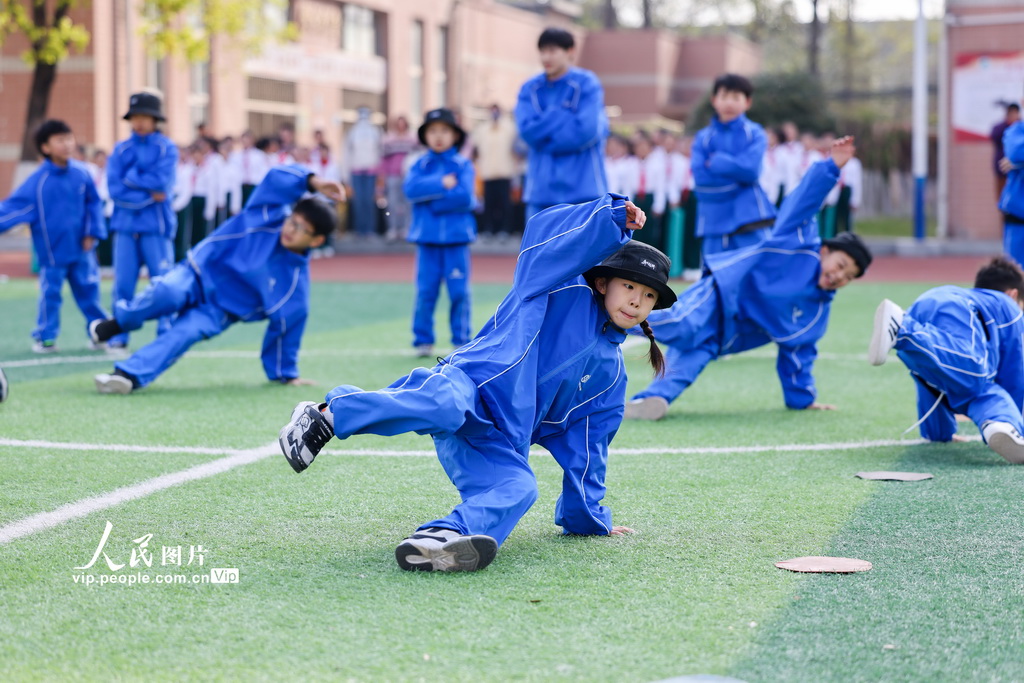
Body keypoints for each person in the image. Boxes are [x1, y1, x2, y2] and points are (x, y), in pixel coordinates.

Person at [277, 193, 674, 573]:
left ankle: (443, 537)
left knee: (520, 486)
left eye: (648, 296)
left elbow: (588, 449)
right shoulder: (556, 287)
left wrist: (587, 519)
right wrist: (610, 219)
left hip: (495, 439)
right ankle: (327, 415)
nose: (636, 301)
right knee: (444, 404)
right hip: (468, 385)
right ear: (603, 283)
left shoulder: (610, 379)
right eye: (629, 286)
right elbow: (544, 238)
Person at [625, 136, 870, 421]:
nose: (839, 276)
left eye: (848, 276)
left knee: (691, 360)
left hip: (728, 331)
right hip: (721, 294)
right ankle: (609, 315)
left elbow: (798, 355)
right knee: (681, 322)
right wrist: (831, 167)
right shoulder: (798, 242)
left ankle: (649, 400)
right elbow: (805, 199)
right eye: (840, 265)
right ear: (825, 251)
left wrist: (802, 400)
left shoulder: (814, 316)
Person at [89, 165, 344, 394]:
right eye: (292, 221)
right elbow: (275, 179)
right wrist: (313, 181)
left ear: (317, 241)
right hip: (197, 272)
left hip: (219, 311)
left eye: (302, 229)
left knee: (185, 333)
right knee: (167, 291)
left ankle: (127, 376)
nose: (290, 230)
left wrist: (285, 374)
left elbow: (287, 326)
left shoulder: (294, 284)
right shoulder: (265, 214)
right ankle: (119, 322)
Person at [867, 257, 1024, 464]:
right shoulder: (1008, 306)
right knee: (977, 375)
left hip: (924, 304)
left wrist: (939, 434)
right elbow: (1014, 371)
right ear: (1013, 294)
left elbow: (930, 385)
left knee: (948, 379)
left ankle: (998, 424)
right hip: (954, 310)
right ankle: (903, 329)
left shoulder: (972, 298)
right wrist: (1017, 419)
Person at [0, 119, 107, 353]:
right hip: (52, 253)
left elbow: (94, 204)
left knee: (89, 292)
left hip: (82, 250)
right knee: (50, 295)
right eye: (60, 140)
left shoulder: (82, 173)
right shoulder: (38, 181)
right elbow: (12, 209)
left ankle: (100, 332)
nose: (67, 144)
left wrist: (92, 233)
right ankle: (46, 337)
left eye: (69, 138)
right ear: (45, 147)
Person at [402, 108, 477, 358]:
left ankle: (461, 339)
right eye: (433, 130)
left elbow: (465, 197)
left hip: (456, 240)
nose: (438, 136)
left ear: (455, 135)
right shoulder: (420, 164)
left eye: (445, 130)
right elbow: (410, 190)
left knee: (459, 292)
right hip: (427, 240)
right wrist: (441, 184)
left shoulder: (463, 165)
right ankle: (422, 340)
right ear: (425, 136)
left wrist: (432, 202)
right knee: (426, 292)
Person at [106, 92, 178, 349]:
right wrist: (148, 192)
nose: (139, 122)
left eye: (145, 117)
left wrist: (132, 177)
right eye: (135, 117)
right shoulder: (120, 149)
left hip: (156, 227)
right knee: (123, 285)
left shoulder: (167, 148)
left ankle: (167, 331)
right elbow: (115, 189)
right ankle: (119, 332)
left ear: (155, 119)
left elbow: (163, 183)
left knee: (163, 283)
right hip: (125, 227)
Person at [515, 27, 608, 221]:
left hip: (584, 190)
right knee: (538, 241)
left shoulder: (587, 83)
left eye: (552, 50)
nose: (546, 57)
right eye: (542, 51)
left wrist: (545, 137)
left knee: (586, 241)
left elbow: (587, 131)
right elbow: (526, 131)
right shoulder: (529, 88)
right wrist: (561, 115)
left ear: (570, 51)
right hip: (541, 193)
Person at [691, 74, 776, 257]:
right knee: (714, 271)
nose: (729, 103)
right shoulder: (703, 138)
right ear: (714, 100)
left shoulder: (755, 133)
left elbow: (751, 171)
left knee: (757, 268)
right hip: (713, 219)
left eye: (736, 97)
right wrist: (738, 180)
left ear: (748, 102)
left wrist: (718, 162)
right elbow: (700, 178)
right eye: (724, 96)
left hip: (750, 216)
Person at [474, 104, 520, 241]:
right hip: (488, 172)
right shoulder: (482, 129)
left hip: (505, 172)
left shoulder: (509, 127)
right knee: (489, 203)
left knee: (505, 204)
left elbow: (516, 147)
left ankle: (505, 229)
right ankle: (489, 229)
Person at [342, 106, 383, 238]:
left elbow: (380, 153)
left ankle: (370, 229)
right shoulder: (352, 132)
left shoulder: (375, 132)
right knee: (358, 201)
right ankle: (359, 229)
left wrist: (380, 172)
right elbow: (346, 154)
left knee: (369, 201)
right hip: (356, 171)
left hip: (371, 172)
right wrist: (345, 175)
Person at [378, 116, 418, 242]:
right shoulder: (388, 139)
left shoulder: (413, 139)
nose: (401, 126)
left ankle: (407, 228)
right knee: (392, 204)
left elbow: (417, 157)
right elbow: (384, 159)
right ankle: (393, 228)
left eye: (403, 124)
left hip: (408, 177)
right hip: (392, 176)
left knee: (408, 204)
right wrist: (382, 175)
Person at [998, 111, 1024, 265]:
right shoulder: (1016, 131)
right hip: (1019, 216)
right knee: (1014, 270)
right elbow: (1016, 153)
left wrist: (1019, 164)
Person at [991, 103, 1021, 200]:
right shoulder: (1001, 128)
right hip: (1003, 168)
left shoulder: (1021, 128)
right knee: (1002, 196)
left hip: (1019, 170)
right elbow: (994, 136)